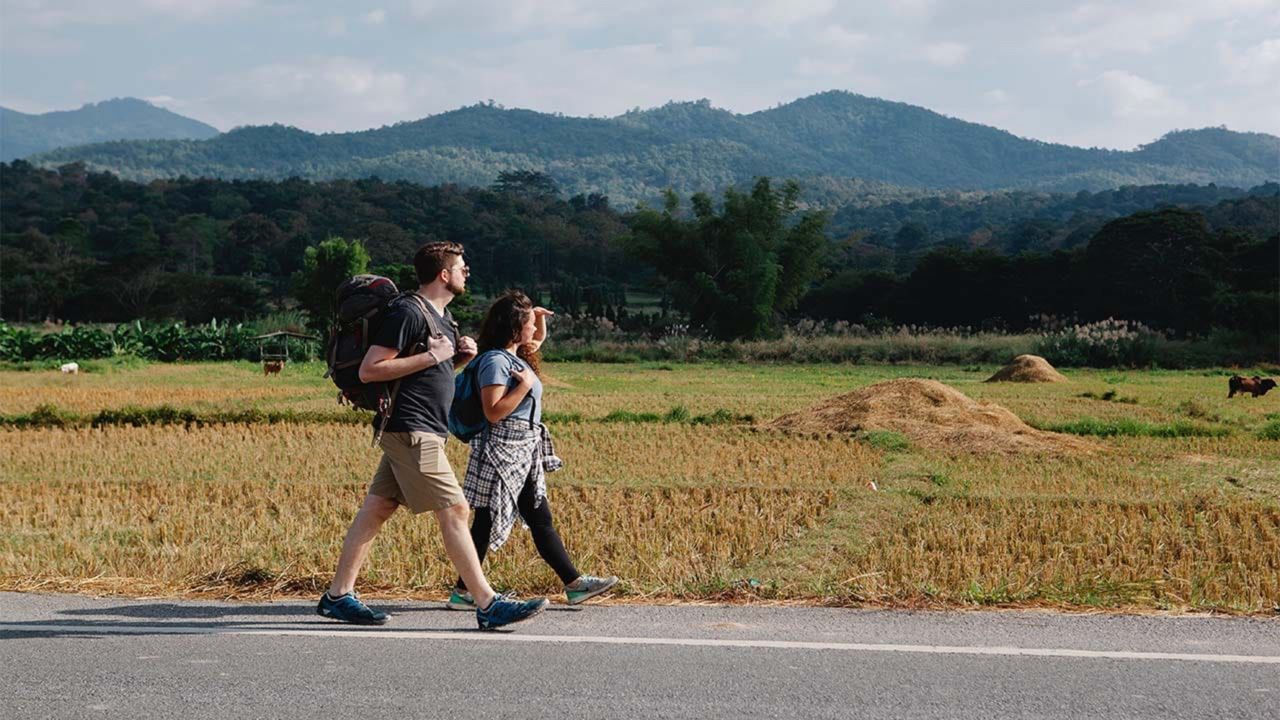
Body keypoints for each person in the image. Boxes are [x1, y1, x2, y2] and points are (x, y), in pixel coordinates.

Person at [317, 242, 549, 630]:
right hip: (411, 428)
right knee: (455, 509)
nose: (466, 272)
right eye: (461, 267)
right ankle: (487, 604)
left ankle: (338, 596)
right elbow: (370, 370)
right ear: (443, 274)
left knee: (378, 508)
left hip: (423, 427)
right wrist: (433, 356)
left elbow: (424, 371)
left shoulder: (442, 317)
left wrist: (457, 360)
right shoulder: (409, 312)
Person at [447, 290, 618, 610]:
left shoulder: (512, 356)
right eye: (527, 323)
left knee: (529, 517)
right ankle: (570, 584)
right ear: (514, 328)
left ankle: (571, 584)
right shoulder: (496, 362)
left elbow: (537, 340)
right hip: (503, 449)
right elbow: (493, 411)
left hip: (522, 448)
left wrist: (537, 317)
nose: (532, 330)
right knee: (492, 519)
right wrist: (524, 386)